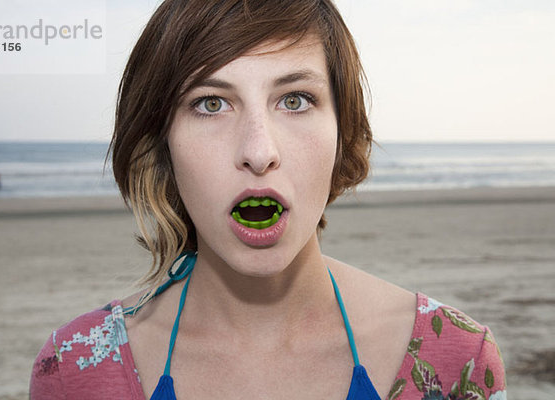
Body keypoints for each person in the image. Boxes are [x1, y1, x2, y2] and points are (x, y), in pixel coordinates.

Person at [30, 1, 506, 399]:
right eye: (210, 103)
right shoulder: (74, 370)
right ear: (161, 143)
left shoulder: (457, 358)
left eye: (295, 99)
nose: (259, 152)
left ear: (343, 130)